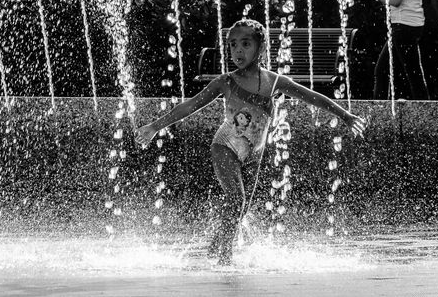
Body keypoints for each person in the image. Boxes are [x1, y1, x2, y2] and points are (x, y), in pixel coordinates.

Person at [135, 18, 366, 264]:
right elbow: (191, 105)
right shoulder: (226, 81)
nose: (238, 51)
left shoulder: (275, 82)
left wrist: (345, 115)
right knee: (237, 199)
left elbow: (313, 97)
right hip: (225, 146)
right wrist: (154, 127)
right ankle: (224, 257)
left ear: (261, 48)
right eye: (233, 45)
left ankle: (216, 247)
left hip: (254, 152)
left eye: (245, 44)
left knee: (241, 207)